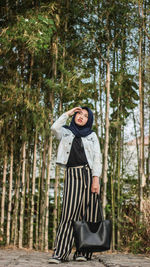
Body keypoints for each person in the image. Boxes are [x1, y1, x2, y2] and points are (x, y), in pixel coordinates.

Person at [49, 106, 102, 264]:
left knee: (89, 214)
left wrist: (96, 179)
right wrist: (68, 113)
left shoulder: (92, 135)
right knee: (68, 214)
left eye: (85, 116)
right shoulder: (66, 132)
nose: (81, 117)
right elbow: (54, 128)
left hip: (89, 174)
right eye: (79, 113)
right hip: (72, 174)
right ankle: (60, 253)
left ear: (89, 120)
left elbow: (97, 157)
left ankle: (83, 252)